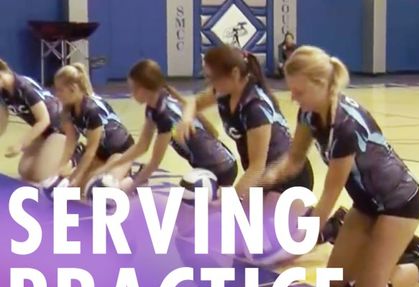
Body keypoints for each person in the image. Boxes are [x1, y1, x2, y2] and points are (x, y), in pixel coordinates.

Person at [262, 45, 419, 287]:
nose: (293, 97)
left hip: (398, 204)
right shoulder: (309, 113)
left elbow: (331, 191)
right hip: (366, 204)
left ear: (321, 84)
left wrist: (300, 237)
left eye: (299, 91)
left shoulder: (345, 126)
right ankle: (397, 249)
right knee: (334, 284)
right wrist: (265, 179)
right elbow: (293, 159)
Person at [177, 45, 313, 198]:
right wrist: (187, 119)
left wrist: (231, 199)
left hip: (287, 181)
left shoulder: (255, 108)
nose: (209, 83)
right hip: (261, 178)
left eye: (213, 78)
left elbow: (257, 167)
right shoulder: (224, 91)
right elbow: (193, 103)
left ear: (234, 73)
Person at [96, 59, 238, 192]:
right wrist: (109, 166)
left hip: (221, 170)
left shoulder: (165, 116)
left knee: (189, 201)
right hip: (212, 166)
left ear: (144, 89)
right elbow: (141, 146)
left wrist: (130, 187)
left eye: (134, 89)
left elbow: (154, 163)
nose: (131, 94)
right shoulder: (156, 106)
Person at [54, 64, 134, 189]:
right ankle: (114, 174)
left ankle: (133, 181)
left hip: (121, 152)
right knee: (77, 188)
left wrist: (74, 176)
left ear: (73, 88)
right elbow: (70, 143)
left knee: (102, 190)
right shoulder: (67, 110)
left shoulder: (92, 110)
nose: (57, 94)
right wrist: (58, 172)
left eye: (60, 90)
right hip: (101, 153)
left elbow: (90, 152)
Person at [0, 58, 66, 182]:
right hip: (44, 132)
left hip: (62, 129)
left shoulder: (24, 87)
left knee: (40, 176)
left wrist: (20, 144)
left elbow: (44, 119)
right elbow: (2, 119)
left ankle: (74, 159)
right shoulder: (4, 91)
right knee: (25, 171)